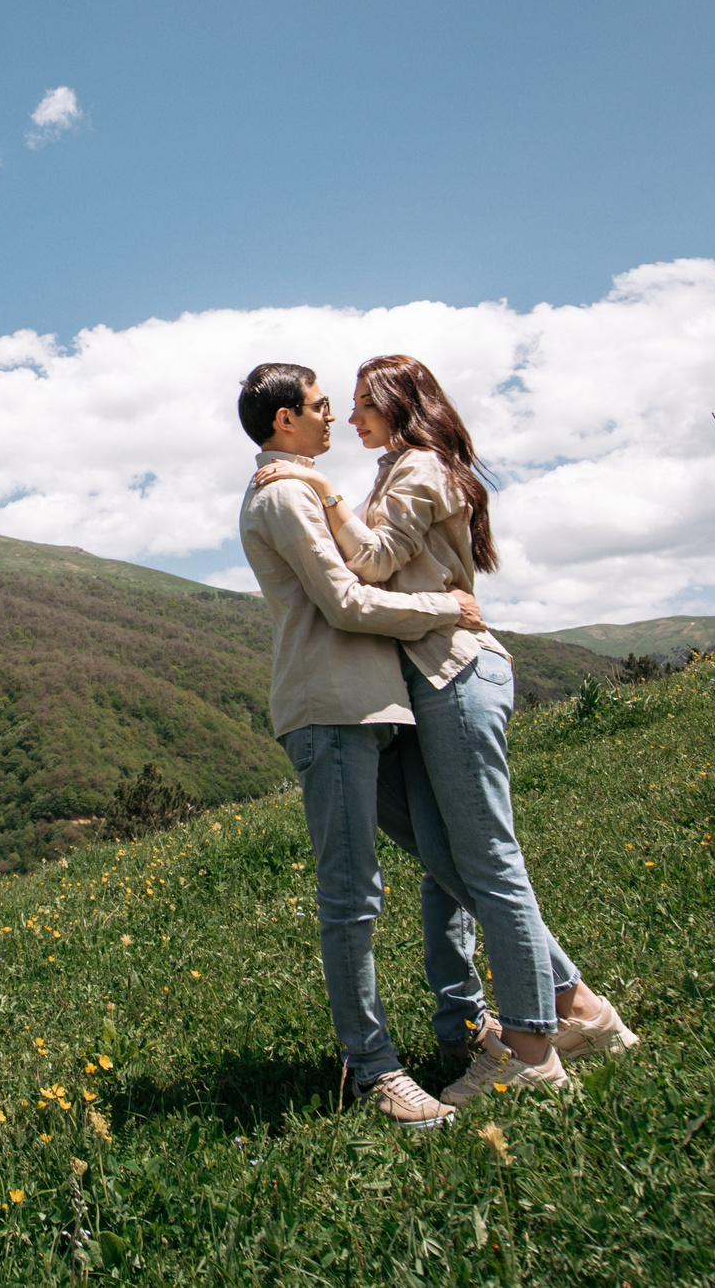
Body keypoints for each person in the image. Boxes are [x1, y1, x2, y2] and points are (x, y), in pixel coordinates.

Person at [255, 353, 639, 1105]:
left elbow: (368, 563)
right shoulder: (398, 471)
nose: (349, 416)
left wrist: (320, 492)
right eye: (338, 403)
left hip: (453, 667)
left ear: (400, 405)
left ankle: (531, 1045)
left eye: (363, 403)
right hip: (428, 678)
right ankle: (579, 1013)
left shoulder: (419, 467)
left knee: (488, 861)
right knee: (451, 860)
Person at [235, 362, 479, 1128]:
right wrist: (446, 608)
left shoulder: (306, 488)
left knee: (452, 860)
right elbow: (343, 600)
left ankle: (474, 1027)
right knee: (353, 894)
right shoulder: (279, 496)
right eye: (315, 406)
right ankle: (373, 1068)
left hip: (377, 706)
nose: (331, 415)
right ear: (283, 420)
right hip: (330, 708)